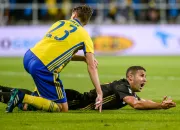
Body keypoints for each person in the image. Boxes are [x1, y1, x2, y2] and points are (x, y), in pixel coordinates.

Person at [5, 4, 103, 113]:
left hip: (29, 56)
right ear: (87, 22)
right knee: (62, 108)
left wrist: (83, 58)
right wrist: (99, 93)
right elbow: (92, 67)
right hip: (43, 67)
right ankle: (22, 97)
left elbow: (54, 51)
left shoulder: (59, 23)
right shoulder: (85, 36)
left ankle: (7, 95)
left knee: (39, 100)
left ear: (74, 15)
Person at [2, 66, 176, 111]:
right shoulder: (123, 86)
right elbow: (136, 105)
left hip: (74, 97)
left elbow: (143, 102)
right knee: (27, 104)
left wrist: (161, 103)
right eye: (142, 75)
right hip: (74, 101)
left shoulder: (125, 88)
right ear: (130, 77)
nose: (145, 79)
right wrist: (161, 106)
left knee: (30, 97)